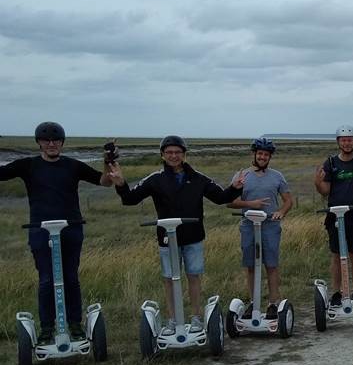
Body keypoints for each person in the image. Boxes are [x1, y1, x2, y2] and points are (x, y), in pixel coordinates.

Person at [110, 136, 245, 334]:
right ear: (163, 155)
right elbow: (130, 199)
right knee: (170, 279)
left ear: (184, 154)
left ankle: (197, 317)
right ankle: (173, 319)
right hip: (167, 238)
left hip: (193, 236)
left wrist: (234, 188)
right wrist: (121, 184)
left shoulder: (198, 178)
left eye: (177, 152)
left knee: (193, 277)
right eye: (169, 152)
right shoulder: (155, 179)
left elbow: (220, 198)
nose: (174, 156)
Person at [0, 122, 116, 341]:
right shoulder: (28, 165)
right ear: (39, 143)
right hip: (40, 231)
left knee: (71, 278)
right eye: (46, 141)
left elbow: (105, 182)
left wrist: (109, 160)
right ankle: (47, 328)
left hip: (71, 229)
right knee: (46, 280)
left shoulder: (73, 166)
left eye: (56, 141)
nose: (51, 144)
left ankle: (74, 324)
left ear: (62, 143)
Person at [227, 137, 293, 318]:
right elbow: (230, 202)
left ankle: (273, 302)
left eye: (266, 154)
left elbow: (288, 201)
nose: (262, 157)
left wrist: (281, 211)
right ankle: (253, 303)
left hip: (270, 225)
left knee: (271, 265)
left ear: (269, 157)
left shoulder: (277, 176)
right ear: (254, 154)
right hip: (249, 225)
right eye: (260, 153)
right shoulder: (242, 176)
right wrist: (251, 203)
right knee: (251, 266)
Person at [314, 125, 353, 306]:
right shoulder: (331, 163)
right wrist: (317, 183)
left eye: (350, 140)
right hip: (335, 214)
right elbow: (325, 191)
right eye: (343, 140)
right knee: (336, 255)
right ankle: (336, 292)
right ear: (338, 142)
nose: (347, 143)